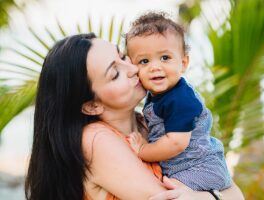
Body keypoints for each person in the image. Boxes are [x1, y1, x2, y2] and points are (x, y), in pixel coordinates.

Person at [25, 32, 244, 200]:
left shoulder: (148, 123)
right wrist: (214, 196)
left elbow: (233, 190)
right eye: (115, 73)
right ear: (91, 106)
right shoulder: (96, 139)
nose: (131, 68)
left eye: (122, 56)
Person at [126, 12, 231, 191]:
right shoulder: (158, 95)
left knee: (171, 192)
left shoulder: (181, 99)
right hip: (184, 168)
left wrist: (143, 150)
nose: (155, 67)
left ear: (183, 63)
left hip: (202, 168)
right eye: (144, 61)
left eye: (165, 58)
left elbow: (175, 143)